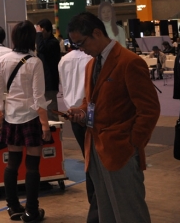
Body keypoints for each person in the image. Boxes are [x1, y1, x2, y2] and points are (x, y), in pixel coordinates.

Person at [67, 12, 159, 223]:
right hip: (95, 148)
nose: (80, 49)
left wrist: (133, 143)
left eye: (81, 43)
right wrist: (81, 111)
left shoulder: (129, 62)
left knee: (129, 213)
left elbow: (149, 109)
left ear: (97, 33)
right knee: (106, 212)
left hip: (120, 150)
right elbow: (91, 100)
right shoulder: (91, 64)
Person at [0, 21, 51, 223]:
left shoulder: (3, 60)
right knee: (32, 165)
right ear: (32, 38)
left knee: (12, 162)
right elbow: (38, 97)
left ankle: (13, 207)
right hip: (31, 117)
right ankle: (31, 212)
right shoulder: (35, 62)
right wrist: (45, 125)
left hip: (10, 115)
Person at [58, 46, 98, 223]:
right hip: (89, 111)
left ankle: (94, 201)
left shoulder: (64, 60)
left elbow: (64, 85)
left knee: (88, 157)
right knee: (95, 159)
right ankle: (97, 201)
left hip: (73, 112)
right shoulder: (92, 59)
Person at [35, 19, 61, 121]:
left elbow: (42, 49)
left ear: (48, 30)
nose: (40, 35)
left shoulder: (53, 42)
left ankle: (55, 127)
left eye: (42, 31)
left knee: (51, 107)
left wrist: (38, 34)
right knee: (43, 107)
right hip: (43, 79)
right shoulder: (45, 42)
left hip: (50, 80)